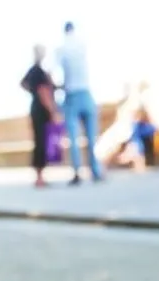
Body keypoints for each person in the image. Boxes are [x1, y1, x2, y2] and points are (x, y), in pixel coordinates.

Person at [56, 22, 101, 185]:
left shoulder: (61, 48)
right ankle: (95, 171)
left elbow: (56, 73)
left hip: (72, 94)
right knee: (91, 137)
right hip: (86, 92)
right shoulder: (83, 44)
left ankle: (77, 172)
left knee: (73, 138)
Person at [21, 45, 60, 188]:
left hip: (35, 108)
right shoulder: (38, 71)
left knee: (39, 142)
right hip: (41, 110)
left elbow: (24, 84)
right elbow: (43, 92)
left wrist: (32, 92)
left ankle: (39, 176)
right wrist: (53, 111)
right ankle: (39, 177)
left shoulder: (34, 71)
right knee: (41, 143)